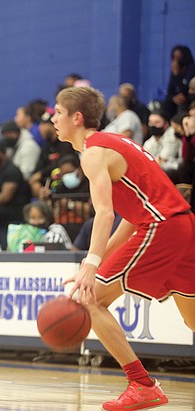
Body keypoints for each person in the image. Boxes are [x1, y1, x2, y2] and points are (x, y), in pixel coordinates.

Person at [52, 86, 195, 410]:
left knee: (91, 302)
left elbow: (104, 214)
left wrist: (90, 266)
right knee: (193, 321)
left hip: (162, 226)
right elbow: (129, 218)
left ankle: (142, 384)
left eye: (58, 112)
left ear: (76, 117)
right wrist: (99, 264)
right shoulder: (116, 143)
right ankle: (142, 385)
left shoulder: (93, 152)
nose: (53, 118)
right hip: (181, 225)